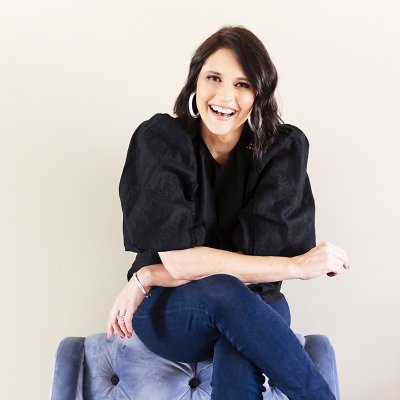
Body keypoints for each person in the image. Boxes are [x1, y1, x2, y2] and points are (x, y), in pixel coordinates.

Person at [107, 25, 349, 400]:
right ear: (195, 83)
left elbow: (247, 273)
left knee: (240, 335)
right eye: (214, 78)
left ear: (259, 94)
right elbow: (186, 263)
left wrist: (153, 272)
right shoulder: (160, 141)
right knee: (226, 290)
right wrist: (296, 268)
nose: (224, 95)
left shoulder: (281, 151)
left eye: (242, 84)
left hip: (253, 302)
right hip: (170, 311)